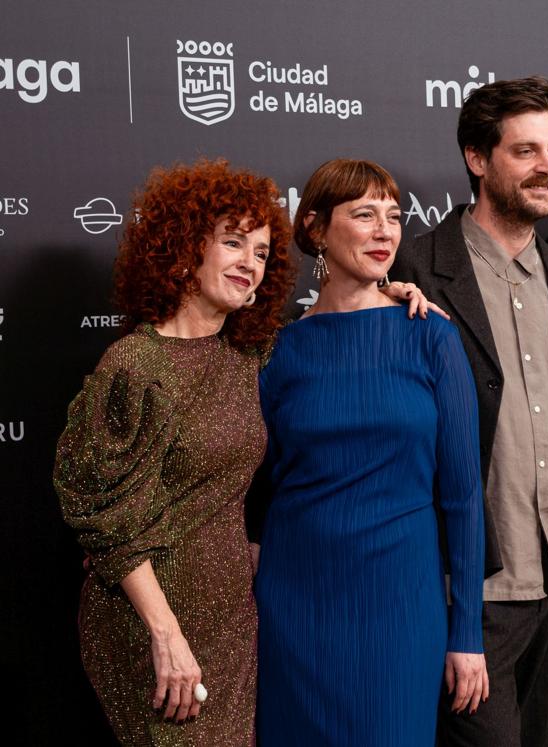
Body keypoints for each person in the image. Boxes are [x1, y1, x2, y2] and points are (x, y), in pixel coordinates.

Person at [393, 76, 548, 747]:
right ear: (477, 157)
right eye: (525, 151)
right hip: (472, 591)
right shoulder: (414, 269)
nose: (546, 167)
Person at [54, 159, 296, 745]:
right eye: (233, 242)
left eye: (261, 252)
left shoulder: (245, 357)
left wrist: (389, 290)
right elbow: (105, 517)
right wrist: (166, 634)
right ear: (186, 250)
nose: (249, 263)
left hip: (232, 619)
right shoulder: (134, 366)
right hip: (152, 624)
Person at [249, 158, 486, 745]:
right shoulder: (280, 350)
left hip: (400, 601)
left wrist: (468, 634)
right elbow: (260, 481)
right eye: (364, 215)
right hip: (295, 597)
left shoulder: (430, 334)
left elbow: (462, 495)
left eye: (393, 216)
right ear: (316, 229)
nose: (385, 231)